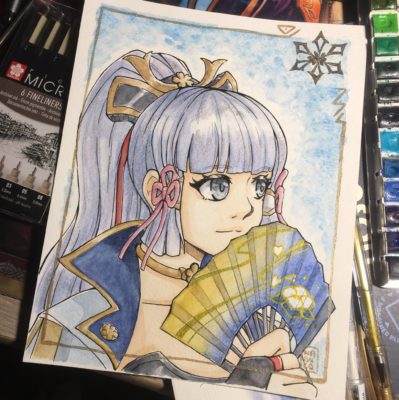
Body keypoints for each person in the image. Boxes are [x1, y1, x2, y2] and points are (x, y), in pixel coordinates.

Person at [25, 50, 331, 396]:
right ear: (159, 190)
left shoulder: (261, 300)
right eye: (217, 186)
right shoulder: (81, 313)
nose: (248, 208)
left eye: (259, 185)